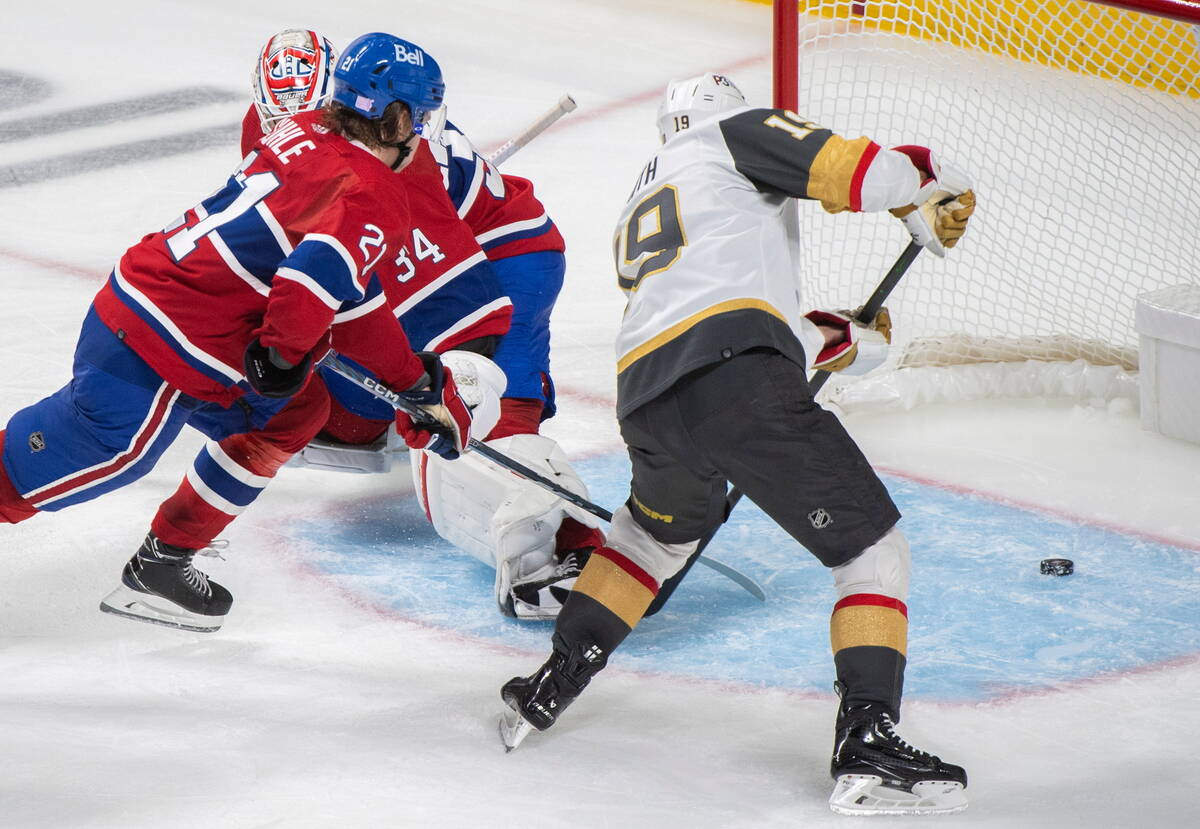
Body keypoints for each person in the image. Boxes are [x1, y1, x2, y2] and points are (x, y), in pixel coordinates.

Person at [498, 74, 977, 817]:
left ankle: (549, 683)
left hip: (650, 397)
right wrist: (923, 181)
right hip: (736, 382)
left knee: (649, 544)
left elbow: (723, 314)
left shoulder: (656, 189)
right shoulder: (731, 133)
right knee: (872, 551)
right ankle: (869, 737)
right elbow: (855, 171)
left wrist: (838, 338)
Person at [0, 30, 472, 635]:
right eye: (422, 115)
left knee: (292, 413)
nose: (425, 131)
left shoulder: (302, 129)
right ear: (396, 116)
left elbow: (350, 300)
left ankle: (164, 561)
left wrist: (415, 384)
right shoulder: (372, 189)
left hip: (168, 314)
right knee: (111, 454)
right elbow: (311, 282)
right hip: (163, 341)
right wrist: (281, 353)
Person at [243, 29, 603, 620]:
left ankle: (550, 558)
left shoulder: (400, 170)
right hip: (422, 256)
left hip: (502, 254)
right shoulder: (292, 134)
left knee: (473, 416)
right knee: (344, 418)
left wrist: (438, 393)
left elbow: (448, 310)